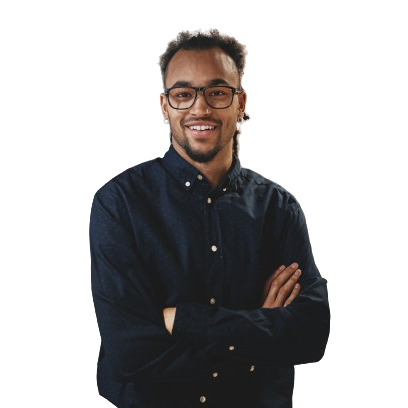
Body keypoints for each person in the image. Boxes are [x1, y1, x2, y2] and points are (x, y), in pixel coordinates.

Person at [90, 28, 330, 408]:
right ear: (165, 106)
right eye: (183, 94)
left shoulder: (280, 208)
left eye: (217, 92)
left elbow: (310, 335)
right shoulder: (119, 204)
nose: (200, 108)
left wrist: (183, 320)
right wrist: (259, 328)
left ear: (240, 102)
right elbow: (130, 353)